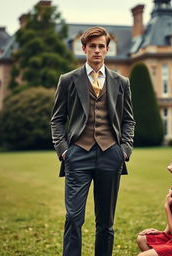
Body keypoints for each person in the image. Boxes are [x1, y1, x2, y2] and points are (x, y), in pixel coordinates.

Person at [50, 26, 135, 256]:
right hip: (78, 155)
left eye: (101, 47)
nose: (97, 51)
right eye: (92, 46)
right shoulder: (68, 80)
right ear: (84, 49)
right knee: (74, 218)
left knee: (106, 223)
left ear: (107, 50)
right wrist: (64, 151)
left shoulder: (121, 82)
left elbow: (128, 120)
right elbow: (57, 120)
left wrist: (124, 150)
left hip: (111, 155)